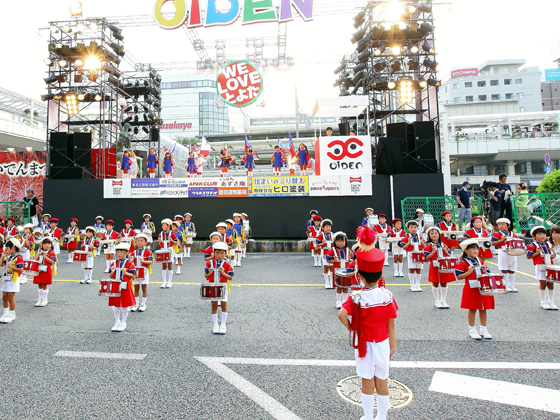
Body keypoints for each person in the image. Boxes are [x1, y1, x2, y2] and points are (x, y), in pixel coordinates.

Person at [337, 229, 397, 420]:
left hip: (365, 344)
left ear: (360, 276)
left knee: (366, 381)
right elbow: (391, 325)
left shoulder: (357, 296)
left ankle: (368, 417)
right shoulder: (387, 295)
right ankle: (382, 417)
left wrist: (353, 328)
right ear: (380, 276)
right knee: (382, 381)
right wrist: (392, 346)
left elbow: (341, 314)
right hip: (383, 342)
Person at [455, 239, 494, 340]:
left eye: (477, 248)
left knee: (483, 308)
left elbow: (487, 272)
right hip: (471, 287)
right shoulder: (463, 262)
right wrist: (468, 272)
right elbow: (458, 276)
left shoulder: (480, 261)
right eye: (472, 249)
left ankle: (483, 328)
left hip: (482, 287)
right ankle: (472, 329)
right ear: (466, 251)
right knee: (472, 308)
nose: (475, 251)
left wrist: (485, 270)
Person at [204, 242, 234, 334]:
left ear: (225, 253)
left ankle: (223, 324)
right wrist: (209, 273)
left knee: (224, 305)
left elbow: (231, 277)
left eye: (222, 253)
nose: (219, 255)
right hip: (213, 286)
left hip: (223, 286)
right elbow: (206, 275)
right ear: (214, 253)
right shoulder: (209, 263)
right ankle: (215, 324)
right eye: (217, 253)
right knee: (214, 305)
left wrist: (223, 273)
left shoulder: (227, 265)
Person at [526, 226, 557, 310]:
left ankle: (551, 301)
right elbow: (528, 256)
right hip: (541, 267)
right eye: (539, 234)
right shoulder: (533, 245)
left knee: (551, 283)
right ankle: (543, 301)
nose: (542, 236)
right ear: (534, 236)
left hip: (550, 266)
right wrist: (537, 253)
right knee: (543, 284)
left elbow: (551, 257)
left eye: (544, 234)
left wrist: (553, 253)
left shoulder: (548, 244)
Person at [423, 227, 454, 309]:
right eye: (432, 234)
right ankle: (437, 300)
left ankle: (443, 300)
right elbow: (426, 258)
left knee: (444, 282)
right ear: (429, 235)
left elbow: (450, 255)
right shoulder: (429, 245)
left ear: (439, 235)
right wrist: (433, 251)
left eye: (436, 233)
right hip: (434, 266)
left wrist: (446, 251)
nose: (434, 235)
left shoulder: (443, 245)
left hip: (444, 266)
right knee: (435, 282)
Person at [108, 243, 136, 332]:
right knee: (116, 305)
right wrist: (112, 271)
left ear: (126, 253)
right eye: (118, 252)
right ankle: (117, 322)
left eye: (121, 252)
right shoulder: (114, 262)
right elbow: (111, 275)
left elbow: (133, 275)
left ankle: (123, 322)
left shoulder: (129, 263)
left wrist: (125, 273)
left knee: (124, 304)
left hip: (125, 285)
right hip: (115, 285)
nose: (119, 254)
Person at [491, 218, 520, 293]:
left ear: (508, 225)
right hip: (503, 251)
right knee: (503, 267)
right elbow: (493, 243)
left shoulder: (513, 234)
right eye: (499, 224)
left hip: (512, 252)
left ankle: (512, 285)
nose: (501, 226)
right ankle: (505, 284)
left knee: (512, 268)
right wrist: (501, 240)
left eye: (503, 224)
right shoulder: (497, 234)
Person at [325, 231, 352, 309]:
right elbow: (328, 259)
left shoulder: (347, 250)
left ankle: (345, 301)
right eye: (339, 241)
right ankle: (338, 301)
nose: (341, 243)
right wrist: (333, 261)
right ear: (335, 242)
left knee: (346, 286)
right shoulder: (333, 250)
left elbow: (352, 258)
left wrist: (350, 260)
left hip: (346, 270)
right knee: (339, 286)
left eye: (342, 241)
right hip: (337, 270)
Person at [0, 238, 23, 324]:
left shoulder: (18, 257)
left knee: (10, 297)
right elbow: (1, 265)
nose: (6, 250)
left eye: (7, 248)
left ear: (13, 247)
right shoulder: (8, 257)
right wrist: (2, 257)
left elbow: (21, 269)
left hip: (13, 279)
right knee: (4, 297)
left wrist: (12, 267)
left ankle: (12, 313)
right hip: (6, 278)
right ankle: (5, 313)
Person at [400, 220, 425, 292]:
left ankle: (418, 284)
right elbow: (404, 247)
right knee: (411, 268)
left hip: (419, 253)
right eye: (411, 227)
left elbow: (424, 246)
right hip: (411, 254)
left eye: (415, 227)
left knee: (418, 269)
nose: (413, 229)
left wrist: (422, 242)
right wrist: (408, 242)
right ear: (407, 228)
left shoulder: (420, 236)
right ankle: (412, 284)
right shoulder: (407, 236)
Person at [130, 233, 153, 312]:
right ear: (136, 242)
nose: (140, 242)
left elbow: (151, 261)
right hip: (135, 272)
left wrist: (144, 261)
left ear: (146, 242)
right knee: (136, 288)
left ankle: (143, 303)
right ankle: (136, 303)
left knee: (144, 287)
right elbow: (130, 263)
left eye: (142, 241)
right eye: (138, 241)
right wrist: (130, 261)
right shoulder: (133, 252)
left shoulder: (148, 252)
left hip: (144, 271)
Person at [33, 237, 56, 307]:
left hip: (46, 269)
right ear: (42, 245)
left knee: (44, 284)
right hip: (39, 269)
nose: (47, 245)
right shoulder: (40, 252)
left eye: (48, 244)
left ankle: (45, 299)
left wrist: (46, 257)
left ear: (51, 245)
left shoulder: (51, 252)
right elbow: (35, 260)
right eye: (45, 244)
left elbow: (52, 262)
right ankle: (40, 298)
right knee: (39, 284)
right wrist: (38, 254)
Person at [316, 219, 334, 287]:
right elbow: (316, 245)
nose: (328, 228)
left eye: (329, 227)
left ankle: (332, 282)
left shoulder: (333, 235)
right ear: (323, 228)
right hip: (325, 254)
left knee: (332, 268)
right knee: (326, 267)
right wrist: (322, 243)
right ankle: (326, 282)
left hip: (332, 254)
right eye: (326, 227)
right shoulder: (321, 235)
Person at [158, 218, 174, 288]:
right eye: (162, 225)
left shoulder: (172, 233)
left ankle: (170, 281)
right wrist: (159, 242)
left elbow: (176, 242)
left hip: (169, 249)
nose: (163, 227)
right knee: (163, 265)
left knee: (169, 265)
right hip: (162, 249)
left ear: (168, 226)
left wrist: (172, 240)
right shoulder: (160, 234)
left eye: (164, 225)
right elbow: (160, 244)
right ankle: (164, 281)